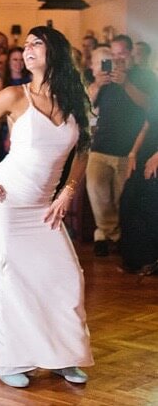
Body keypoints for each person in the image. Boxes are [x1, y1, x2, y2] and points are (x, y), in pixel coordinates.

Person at [0, 26, 94, 388]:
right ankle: (9, 360)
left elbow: (84, 148)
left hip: (44, 207)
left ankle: (63, 356)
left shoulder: (74, 99)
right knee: (9, 282)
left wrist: (68, 191)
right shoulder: (14, 96)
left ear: (56, 53)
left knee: (66, 278)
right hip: (6, 201)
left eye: (37, 43)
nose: (27, 48)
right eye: (26, 44)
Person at [85, 34, 155, 257]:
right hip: (100, 145)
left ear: (131, 52)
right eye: (113, 54)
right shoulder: (105, 79)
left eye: (121, 54)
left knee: (121, 198)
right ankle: (109, 234)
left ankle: (115, 237)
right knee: (96, 191)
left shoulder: (144, 76)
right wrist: (97, 83)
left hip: (129, 148)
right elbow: (87, 105)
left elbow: (148, 107)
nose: (118, 59)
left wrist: (125, 83)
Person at [119, 99, 158, 274]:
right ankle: (134, 259)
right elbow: (146, 126)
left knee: (150, 206)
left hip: (155, 156)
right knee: (129, 201)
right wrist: (132, 154)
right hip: (145, 152)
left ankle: (151, 260)